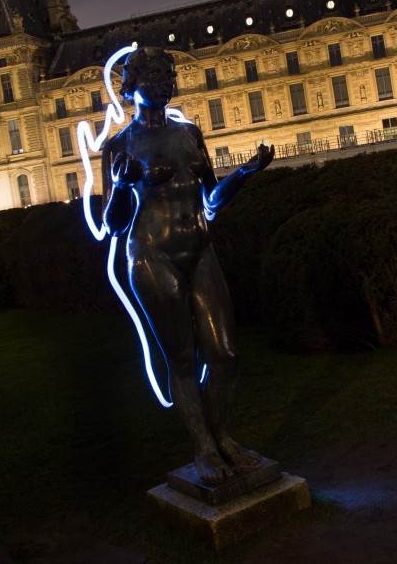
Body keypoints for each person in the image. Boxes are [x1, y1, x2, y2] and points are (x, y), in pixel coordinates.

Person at [101, 47, 274, 484]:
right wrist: (123, 185)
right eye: (155, 75)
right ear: (133, 84)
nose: (165, 82)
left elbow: (211, 202)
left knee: (226, 354)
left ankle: (224, 438)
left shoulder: (190, 134)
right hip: (151, 255)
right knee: (181, 359)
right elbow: (114, 223)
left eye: (168, 74)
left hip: (200, 250)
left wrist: (244, 174)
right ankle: (204, 448)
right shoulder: (119, 146)